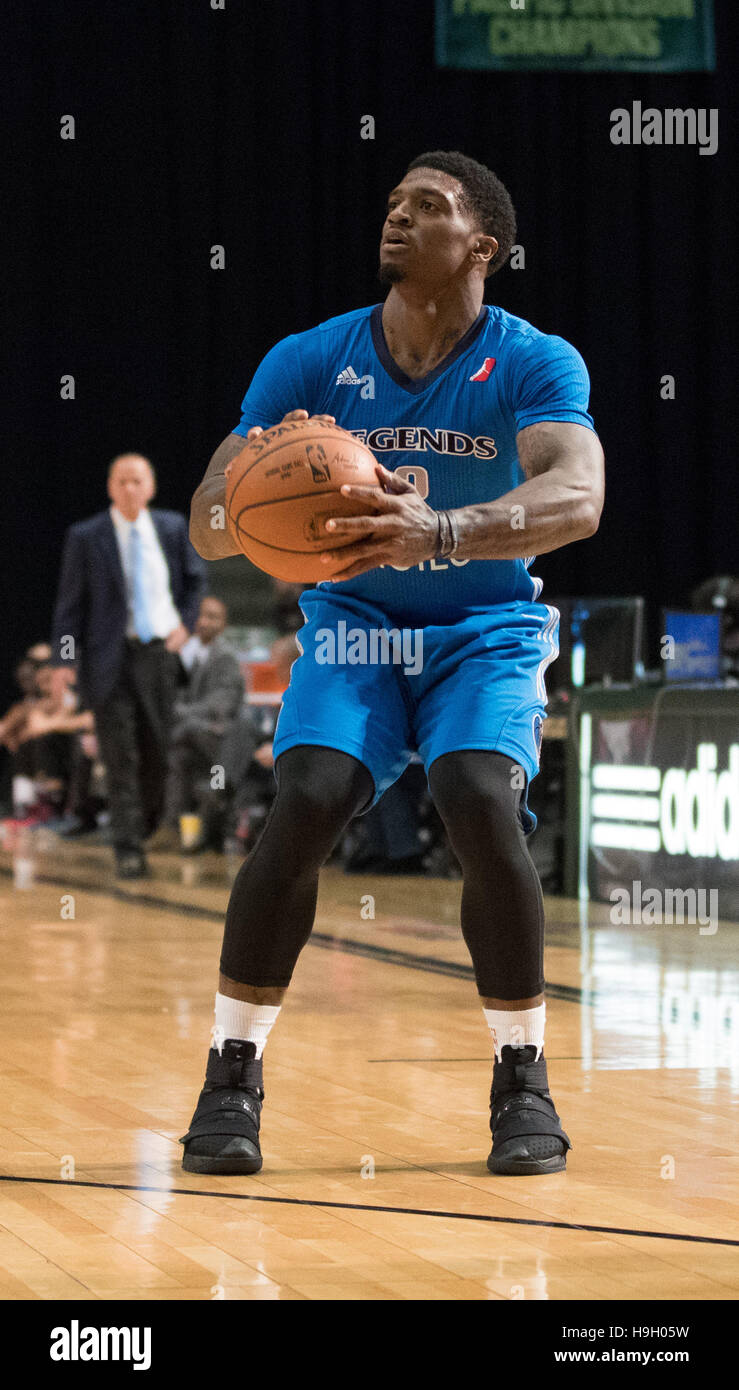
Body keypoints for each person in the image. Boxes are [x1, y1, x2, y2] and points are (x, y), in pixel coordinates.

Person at [182, 150, 604, 1178]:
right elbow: (203, 529)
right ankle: (232, 1071)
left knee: (475, 794)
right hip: (355, 620)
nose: (398, 218)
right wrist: (250, 478)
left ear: (482, 247)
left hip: (485, 629)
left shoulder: (537, 360)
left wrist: (446, 532)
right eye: (392, 204)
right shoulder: (310, 360)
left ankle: (521, 1076)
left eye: (429, 206)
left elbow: (579, 498)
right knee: (309, 795)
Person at [49, 453, 207, 877]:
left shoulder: (173, 529)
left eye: (137, 481)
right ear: (110, 487)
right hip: (109, 659)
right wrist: (64, 658)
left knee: (157, 752)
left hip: (158, 655)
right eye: (122, 481)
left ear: (151, 487)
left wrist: (186, 627)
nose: (130, 488)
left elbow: (195, 582)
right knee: (119, 757)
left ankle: (147, 823)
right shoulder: (86, 536)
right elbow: (69, 608)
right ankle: (127, 848)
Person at [156, 596, 245, 850]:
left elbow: (221, 706)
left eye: (212, 617)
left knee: (182, 737)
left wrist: (179, 714)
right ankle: (171, 828)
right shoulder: (185, 653)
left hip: (222, 735)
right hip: (191, 733)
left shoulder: (226, 657)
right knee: (179, 756)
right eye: (201, 615)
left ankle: (195, 829)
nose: (204, 621)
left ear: (224, 624)